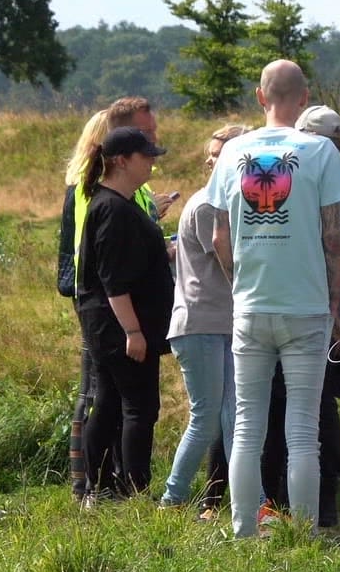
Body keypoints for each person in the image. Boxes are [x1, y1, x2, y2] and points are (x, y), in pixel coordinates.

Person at [206, 60, 340, 538]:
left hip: (250, 303)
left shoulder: (232, 154)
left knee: (247, 425)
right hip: (306, 305)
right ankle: (303, 534)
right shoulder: (321, 151)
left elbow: (220, 236)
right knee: (302, 430)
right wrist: (333, 300)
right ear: (304, 96)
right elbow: (333, 237)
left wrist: (237, 282)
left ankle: (244, 531)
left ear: (259, 96)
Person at [58, 99, 169, 500]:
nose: (151, 163)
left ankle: (100, 486)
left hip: (112, 326)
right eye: (146, 157)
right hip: (120, 328)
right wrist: (134, 331)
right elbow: (112, 280)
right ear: (122, 161)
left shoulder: (113, 204)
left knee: (107, 403)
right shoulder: (112, 209)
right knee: (139, 408)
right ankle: (132, 490)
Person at [161, 123, 248, 508]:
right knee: (208, 418)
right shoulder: (211, 204)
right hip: (202, 324)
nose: (212, 161)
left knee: (230, 418)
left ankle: (251, 499)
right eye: (212, 154)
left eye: (220, 153)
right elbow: (230, 255)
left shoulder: (222, 199)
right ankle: (172, 497)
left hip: (218, 323)